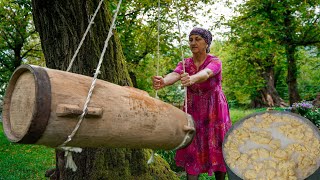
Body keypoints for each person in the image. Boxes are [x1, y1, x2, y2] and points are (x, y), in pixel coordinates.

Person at [152, 27, 232, 180]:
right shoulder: (185, 63)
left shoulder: (215, 61)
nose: (193, 42)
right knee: (192, 144)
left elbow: (207, 73)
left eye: (197, 39)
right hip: (193, 108)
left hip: (214, 108)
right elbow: (175, 74)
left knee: (216, 144)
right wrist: (163, 81)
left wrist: (192, 78)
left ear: (206, 42)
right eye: (190, 39)